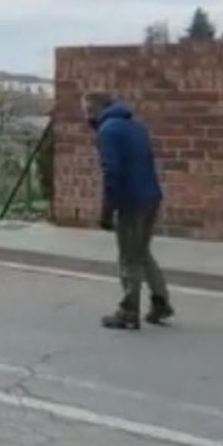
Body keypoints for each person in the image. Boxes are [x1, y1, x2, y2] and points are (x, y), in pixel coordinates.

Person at [82, 93, 173, 330]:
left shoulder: (108, 132)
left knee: (129, 257)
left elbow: (112, 173)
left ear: (94, 109)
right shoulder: (137, 127)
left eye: (86, 110)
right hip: (151, 197)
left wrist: (106, 211)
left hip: (130, 201)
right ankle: (160, 301)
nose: (85, 116)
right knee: (141, 252)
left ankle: (128, 310)